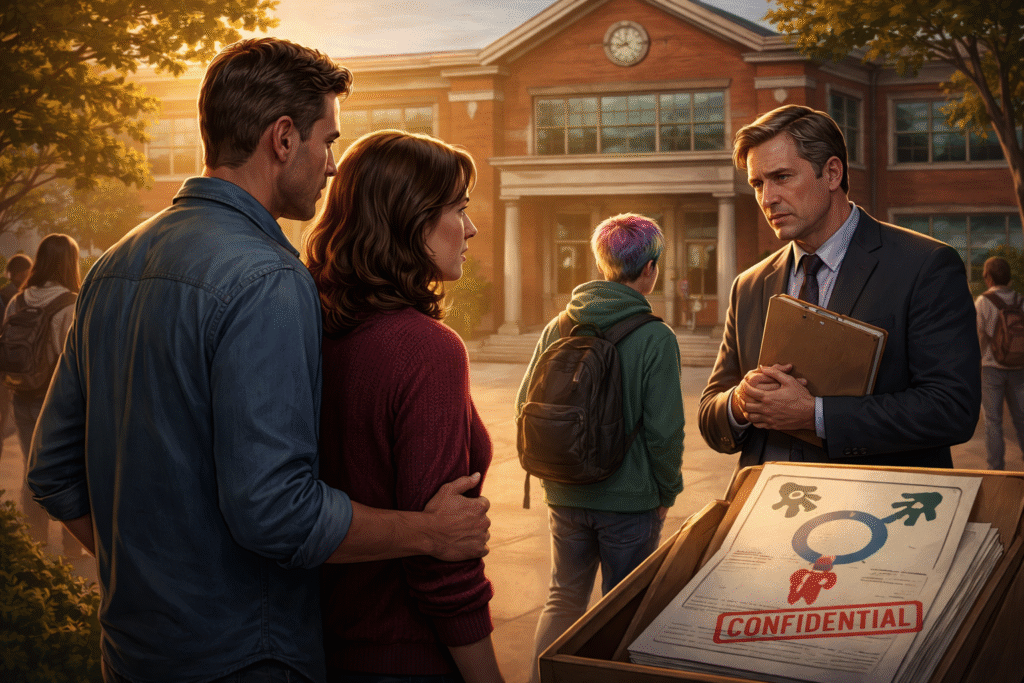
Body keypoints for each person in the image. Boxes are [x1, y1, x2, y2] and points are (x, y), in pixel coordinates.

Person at [27, 38, 490, 683]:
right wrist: (429, 534)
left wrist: (148, 585)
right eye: (328, 140)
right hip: (244, 656)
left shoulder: (113, 265)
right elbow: (276, 511)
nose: (332, 167)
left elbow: (50, 469)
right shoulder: (267, 277)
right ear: (283, 139)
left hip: (131, 649)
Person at [304, 130, 504, 683]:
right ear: (409, 219)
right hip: (407, 653)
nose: (471, 227)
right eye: (458, 210)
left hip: (322, 646)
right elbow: (443, 561)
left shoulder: (312, 329)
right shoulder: (425, 350)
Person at [699, 104, 981, 469]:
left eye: (782, 177)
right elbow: (710, 415)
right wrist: (740, 402)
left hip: (878, 509)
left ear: (832, 173)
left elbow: (952, 409)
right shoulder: (749, 285)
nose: (767, 198)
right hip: (768, 512)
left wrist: (815, 415)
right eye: (758, 183)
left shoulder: (925, 266)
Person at [515, 213, 684, 682]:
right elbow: (665, 432)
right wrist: (666, 491)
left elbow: (523, 405)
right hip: (630, 502)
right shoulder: (655, 337)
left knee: (563, 597)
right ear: (650, 269)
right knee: (619, 609)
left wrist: (556, 474)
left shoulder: (559, 325)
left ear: (601, 262)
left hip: (565, 493)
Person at [3, 237, 77, 545]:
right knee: (70, 472)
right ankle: (73, 550)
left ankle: (34, 545)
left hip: (22, 395)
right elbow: (72, 359)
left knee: (31, 468)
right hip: (58, 402)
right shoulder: (70, 303)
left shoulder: (18, 299)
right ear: (69, 262)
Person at [975, 256, 1024, 470]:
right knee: (1021, 419)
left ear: (988, 276)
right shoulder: (1021, 301)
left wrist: (977, 361)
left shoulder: (984, 302)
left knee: (993, 422)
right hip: (1019, 367)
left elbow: (979, 335)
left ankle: (996, 468)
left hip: (991, 368)